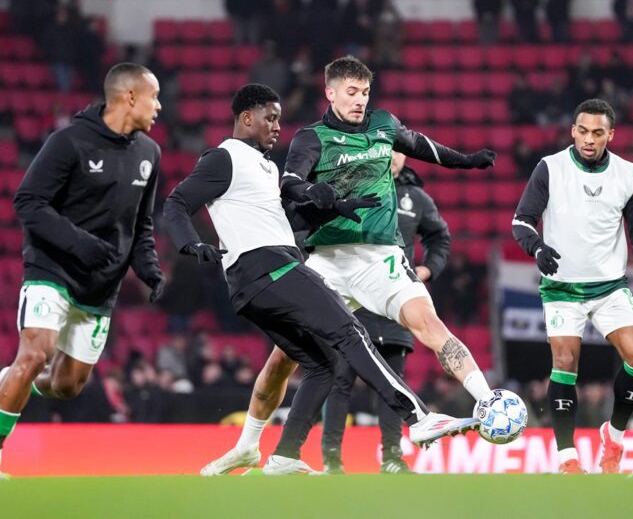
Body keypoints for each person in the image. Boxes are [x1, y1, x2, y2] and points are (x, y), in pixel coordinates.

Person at [164, 84, 478, 476]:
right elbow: (175, 203)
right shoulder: (224, 157)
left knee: (324, 363)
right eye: (270, 117)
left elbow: (286, 223)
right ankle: (418, 419)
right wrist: (190, 245)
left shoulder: (264, 167)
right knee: (350, 332)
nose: (278, 126)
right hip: (269, 268)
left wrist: (335, 208)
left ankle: (285, 456)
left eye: (279, 117)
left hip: (256, 282)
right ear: (247, 118)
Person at [0, 63, 166, 480]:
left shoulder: (150, 153)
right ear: (130, 96)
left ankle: (15, 379)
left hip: (101, 284)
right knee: (35, 352)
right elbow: (27, 202)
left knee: (67, 385)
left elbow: (141, 225)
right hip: (52, 268)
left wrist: (148, 267)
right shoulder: (69, 142)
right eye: (154, 96)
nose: (160, 106)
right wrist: (78, 243)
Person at [280, 56, 496, 406]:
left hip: (381, 259)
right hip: (328, 261)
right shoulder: (312, 138)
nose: (360, 100)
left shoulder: (383, 124)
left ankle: (488, 400)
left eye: (365, 92)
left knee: (428, 323)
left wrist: (467, 161)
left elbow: (425, 147)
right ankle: (250, 440)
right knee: (284, 355)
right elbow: (289, 182)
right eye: (352, 92)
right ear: (330, 93)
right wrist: (311, 192)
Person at [512, 98, 633, 474]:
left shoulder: (628, 175)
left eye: (598, 132)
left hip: (610, 287)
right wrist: (538, 246)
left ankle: (614, 437)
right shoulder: (550, 168)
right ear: (572, 131)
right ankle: (567, 459)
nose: (589, 139)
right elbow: (522, 222)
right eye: (583, 131)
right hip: (562, 289)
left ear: (611, 135)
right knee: (564, 363)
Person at [321, 151, 451, 474]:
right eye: (388, 150)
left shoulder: (416, 198)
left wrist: (427, 270)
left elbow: (440, 238)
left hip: (394, 302)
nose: (393, 157)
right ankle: (331, 459)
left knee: (393, 382)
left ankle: (392, 457)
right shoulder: (351, 188)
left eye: (399, 151)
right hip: (353, 302)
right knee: (340, 380)